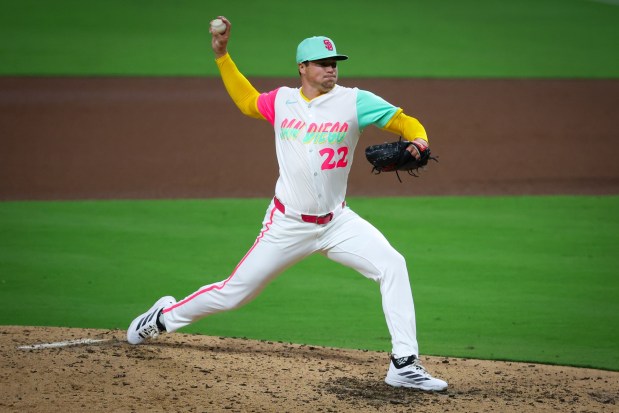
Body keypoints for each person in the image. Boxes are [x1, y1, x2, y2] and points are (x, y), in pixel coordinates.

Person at [127, 16, 447, 392]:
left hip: (337, 223)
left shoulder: (355, 101)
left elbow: (405, 121)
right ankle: (162, 318)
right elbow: (247, 101)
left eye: (334, 63)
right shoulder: (281, 101)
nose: (332, 69)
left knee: (392, 264)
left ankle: (404, 363)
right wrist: (222, 56)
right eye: (323, 63)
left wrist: (420, 142)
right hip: (287, 224)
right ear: (303, 68)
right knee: (234, 294)